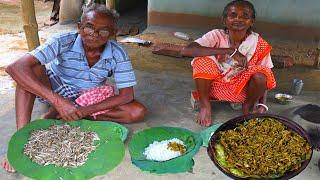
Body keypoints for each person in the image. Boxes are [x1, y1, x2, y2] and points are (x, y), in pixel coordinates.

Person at [2, 3, 146, 172]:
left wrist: (86, 110)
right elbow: (14, 68)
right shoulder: (62, 40)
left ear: (113, 33)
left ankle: (68, 115)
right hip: (56, 88)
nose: (94, 34)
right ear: (79, 27)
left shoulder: (117, 53)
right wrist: (59, 102)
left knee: (137, 111)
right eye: (89, 27)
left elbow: (126, 96)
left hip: (88, 96)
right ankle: (21, 139)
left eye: (104, 30)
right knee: (29, 70)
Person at [181, 0, 276, 126]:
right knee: (202, 60)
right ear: (224, 20)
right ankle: (205, 106)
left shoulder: (259, 43)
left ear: (251, 22)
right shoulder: (216, 35)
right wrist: (230, 51)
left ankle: (247, 108)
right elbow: (187, 50)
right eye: (233, 15)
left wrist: (262, 103)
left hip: (243, 93)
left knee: (261, 73)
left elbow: (265, 77)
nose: (238, 19)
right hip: (213, 89)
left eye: (245, 16)